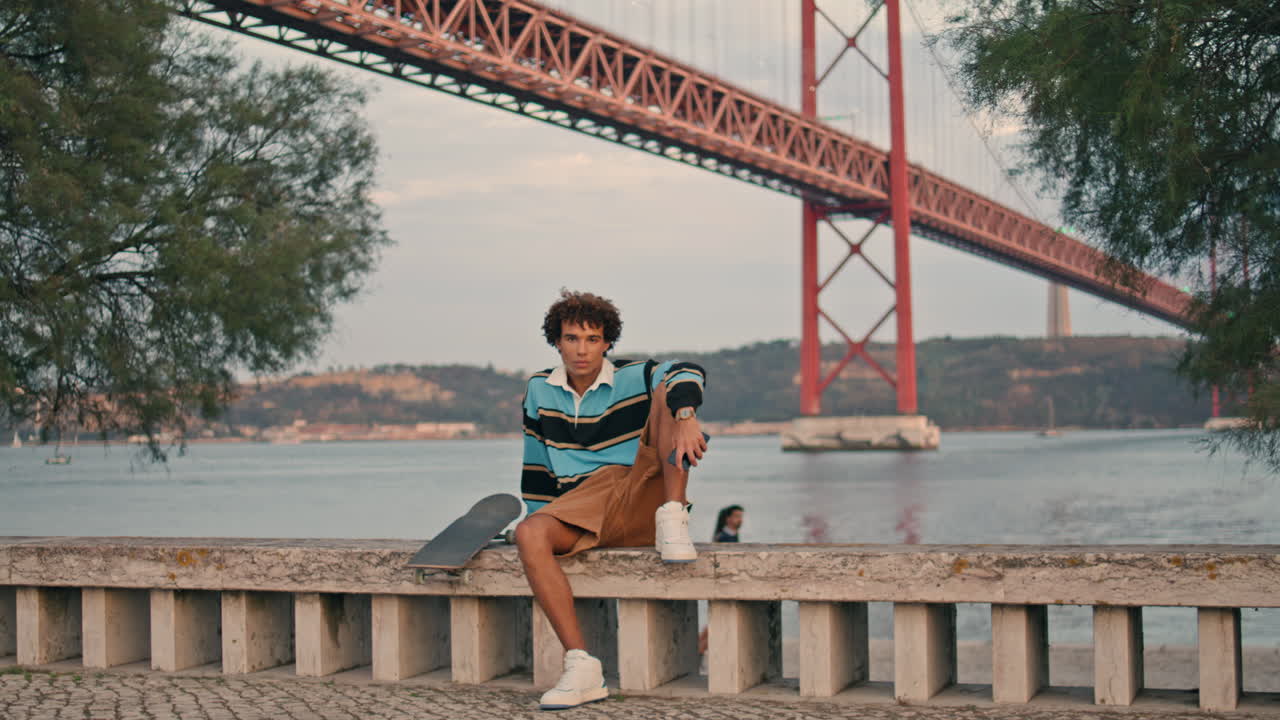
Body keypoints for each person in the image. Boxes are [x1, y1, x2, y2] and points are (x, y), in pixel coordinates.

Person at [514, 289, 708, 710]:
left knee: (668, 390)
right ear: (556, 342)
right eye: (571, 339)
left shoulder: (634, 375)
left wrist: (686, 416)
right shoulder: (539, 389)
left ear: (607, 343)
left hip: (641, 493)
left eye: (592, 339)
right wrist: (539, 516)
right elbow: (537, 461)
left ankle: (674, 516)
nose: (582, 350)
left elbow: (687, 371)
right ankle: (582, 666)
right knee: (529, 534)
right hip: (585, 506)